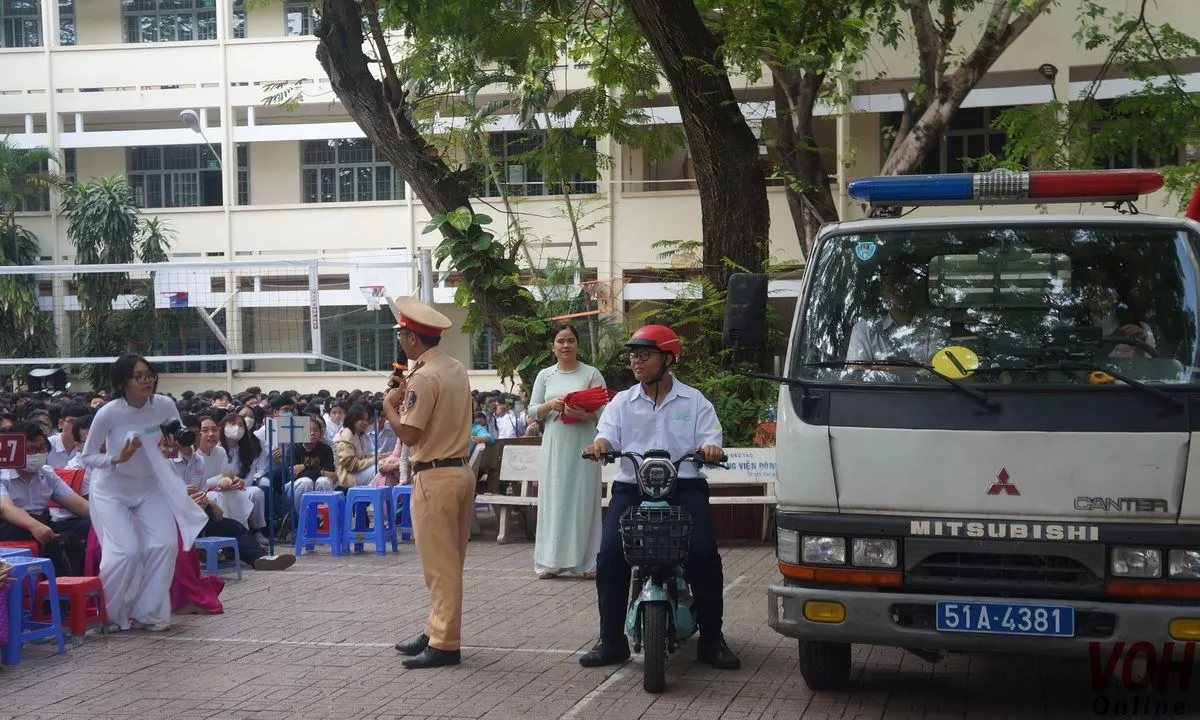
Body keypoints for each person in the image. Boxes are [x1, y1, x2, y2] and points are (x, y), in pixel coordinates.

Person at [580, 324, 740, 670]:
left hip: (684, 487)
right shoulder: (622, 402)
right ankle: (611, 641)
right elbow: (607, 435)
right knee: (610, 555)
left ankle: (712, 640)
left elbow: (709, 437)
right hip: (633, 488)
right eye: (634, 355)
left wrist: (710, 448)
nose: (636, 361)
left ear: (668, 359)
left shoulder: (694, 401)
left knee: (703, 554)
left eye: (645, 354)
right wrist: (600, 445)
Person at [79, 354, 208, 633]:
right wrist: (117, 458)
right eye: (139, 377)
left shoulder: (164, 405)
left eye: (149, 375)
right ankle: (110, 616)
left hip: (150, 486)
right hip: (111, 490)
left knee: (165, 545)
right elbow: (87, 456)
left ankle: (148, 613)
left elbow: (175, 437)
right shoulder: (108, 413)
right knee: (124, 552)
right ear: (122, 383)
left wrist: (173, 445)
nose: (147, 381)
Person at [384, 297, 474, 670]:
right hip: (459, 471)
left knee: (440, 566)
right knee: (449, 561)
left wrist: (389, 406)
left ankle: (445, 643)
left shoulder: (423, 376)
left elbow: (409, 434)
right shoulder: (454, 368)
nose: (400, 340)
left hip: (434, 475)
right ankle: (436, 629)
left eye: (402, 334)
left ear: (412, 339)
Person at [527, 323, 607, 580]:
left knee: (584, 498)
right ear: (553, 347)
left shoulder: (591, 373)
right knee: (554, 498)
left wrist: (584, 414)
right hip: (555, 444)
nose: (566, 345)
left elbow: (606, 412)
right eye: (560, 341)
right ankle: (549, 561)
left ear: (577, 344)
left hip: (585, 444)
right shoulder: (545, 376)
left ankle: (588, 562)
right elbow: (532, 410)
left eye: (570, 340)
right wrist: (549, 405)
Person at [0, 422, 92, 576]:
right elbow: (6, 508)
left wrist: (106, 517)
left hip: (43, 522)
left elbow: (79, 505)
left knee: (86, 526)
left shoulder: (46, 474)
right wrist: (34, 526)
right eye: (31, 450)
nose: (38, 454)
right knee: (40, 538)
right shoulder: (3, 474)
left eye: (42, 449)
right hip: (13, 525)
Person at [846, 257, 949, 364]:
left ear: (917, 286)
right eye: (891, 279)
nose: (900, 286)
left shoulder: (935, 327)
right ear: (881, 289)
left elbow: (938, 368)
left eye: (907, 278)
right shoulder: (864, 329)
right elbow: (856, 371)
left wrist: (876, 367)